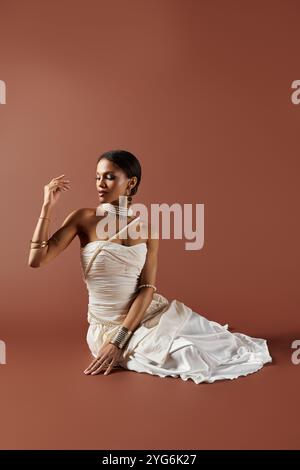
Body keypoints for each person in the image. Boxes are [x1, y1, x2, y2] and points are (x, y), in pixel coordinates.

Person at [28, 149, 272, 384]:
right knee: (188, 356)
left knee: (215, 344)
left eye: (110, 177)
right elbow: (37, 259)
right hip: (105, 327)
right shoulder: (83, 218)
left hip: (144, 316)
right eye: (98, 177)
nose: (101, 183)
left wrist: (120, 340)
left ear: (131, 182)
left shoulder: (147, 230)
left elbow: (147, 287)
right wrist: (47, 206)